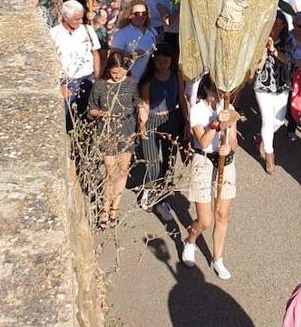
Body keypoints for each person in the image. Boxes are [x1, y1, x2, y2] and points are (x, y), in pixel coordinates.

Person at [182, 74, 239, 280]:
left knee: (222, 215)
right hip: (204, 162)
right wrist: (216, 125)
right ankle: (190, 240)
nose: (221, 96)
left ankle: (218, 258)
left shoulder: (230, 110)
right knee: (205, 220)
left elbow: (234, 141)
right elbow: (203, 142)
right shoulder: (197, 110)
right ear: (207, 90)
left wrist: (228, 147)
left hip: (226, 163)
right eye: (217, 91)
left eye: (224, 92)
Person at [87, 53, 138, 228]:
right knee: (110, 171)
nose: (117, 75)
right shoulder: (100, 86)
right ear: (108, 69)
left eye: (120, 72)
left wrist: (143, 111)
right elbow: (91, 109)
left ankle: (115, 208)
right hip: (107, 131)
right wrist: (102, 114)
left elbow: (137, 102)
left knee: (123, 170)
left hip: (126, 129)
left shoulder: (130, 84)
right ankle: (104, 208)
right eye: (114, 72)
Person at [138, 51, 182, 211]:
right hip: (152, 119)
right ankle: (148, 190)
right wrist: (142, 125)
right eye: (159, 61)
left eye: (166, 61)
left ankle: (162, 191)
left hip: (170, 118)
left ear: (171, 61)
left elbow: (182, 100)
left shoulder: (176, 77)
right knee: (153, 163)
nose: (163, 64)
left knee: (170, 159)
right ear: (154, 62)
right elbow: (145, 104)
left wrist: (186, 121)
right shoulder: (149, 81)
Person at [253, 12, 292, 174]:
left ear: (283, 26)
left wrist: (274, 50)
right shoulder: (259, 39)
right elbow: (257, 66)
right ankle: (269, 156)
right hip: (263, 86)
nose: (276, 27)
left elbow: (288, 60)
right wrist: (264, 49)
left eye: (279, 24)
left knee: (279, 120)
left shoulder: (288, 40)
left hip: (282, 85)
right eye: (273, 23)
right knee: (268, 121)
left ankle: (262, 137)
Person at [53, 0, 101, 123]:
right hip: (67, 81)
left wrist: (97, 78)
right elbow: (50, 63)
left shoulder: (88, 30)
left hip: (87, 79)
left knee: (86, 116)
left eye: (81, 18)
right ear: (65, 18)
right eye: (76, 19)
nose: (80, 22)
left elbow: (95, 54)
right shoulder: (54, 34)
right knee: (67, 119)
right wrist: (59, 86)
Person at [110, 2, 158, 83]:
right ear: (130, 15)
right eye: (137, 14)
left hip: (148, 79)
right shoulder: (121, 34)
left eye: (144, 13)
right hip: (127, 80)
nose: (141, 16)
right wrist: (131, 55)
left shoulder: (152, 32)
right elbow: (114, 57)